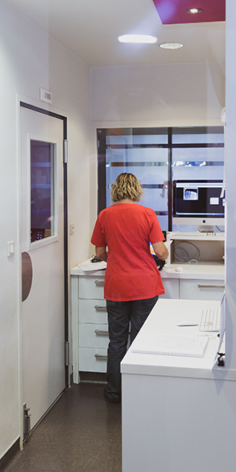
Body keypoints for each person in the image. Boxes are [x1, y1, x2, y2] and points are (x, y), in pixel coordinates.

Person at [90, 172, 169, 403]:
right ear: (136, 190)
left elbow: (99, 252)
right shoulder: (147, 214)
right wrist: (164, 255)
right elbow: (161, 251)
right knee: (140, 338)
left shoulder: (104, 215)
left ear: (116, 190)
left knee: (116, 340)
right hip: (144, 285)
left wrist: (117, 258)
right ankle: (138, 392)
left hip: (117, 287)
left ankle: (114, 392)